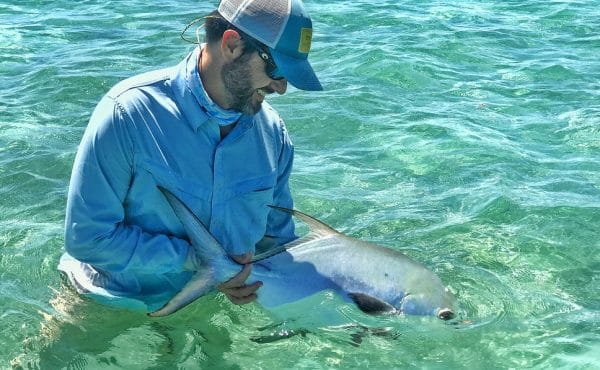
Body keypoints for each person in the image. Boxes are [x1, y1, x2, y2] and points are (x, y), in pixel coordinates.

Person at [59, 0, 322, 313]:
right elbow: (88, 238)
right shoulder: (127, 114)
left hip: (207, 307)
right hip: (106, 301)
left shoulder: (273, 136)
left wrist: (342, 304)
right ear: (232, 44)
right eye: (276, 69)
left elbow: (276, 243)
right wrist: (196, 259)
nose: (281, 87)